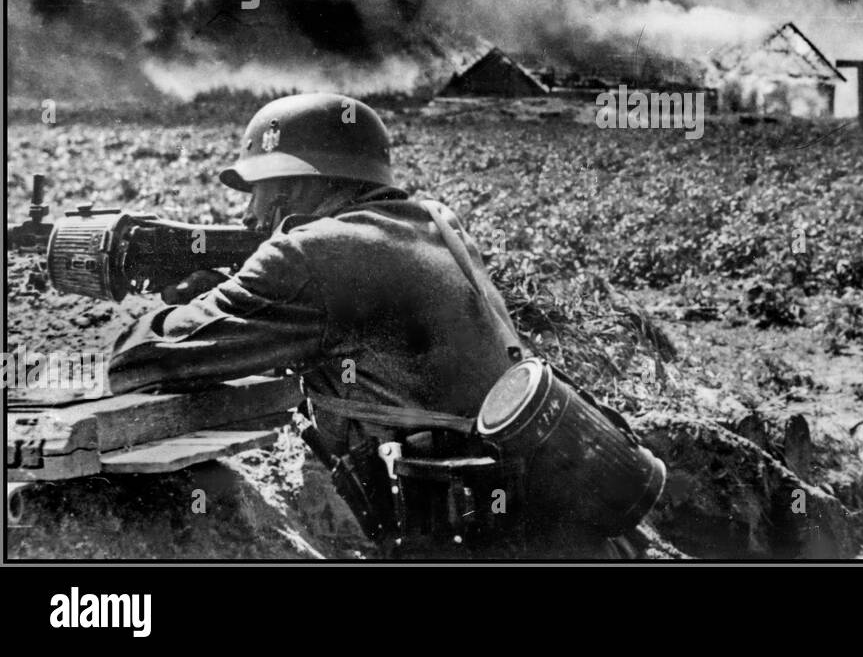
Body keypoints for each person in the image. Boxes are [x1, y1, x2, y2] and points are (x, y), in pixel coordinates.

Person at [106, 92, 632, 558]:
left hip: (463, 547)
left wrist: (165, 310)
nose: (247, 215)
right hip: (559, 519)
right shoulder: (434, 222)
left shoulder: (308, 256)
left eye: (257, 190)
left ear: (297, 184)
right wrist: (222, 297)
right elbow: (343, 326)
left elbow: (144, 355)